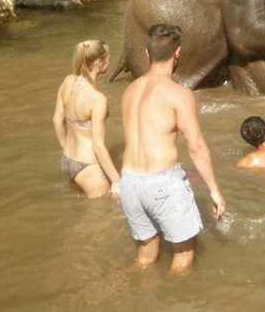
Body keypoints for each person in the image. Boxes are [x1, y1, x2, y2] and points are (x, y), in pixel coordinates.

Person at [119, 24, 226, 274]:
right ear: (178, 53)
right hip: (161, 183)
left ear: (147, 53)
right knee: (185, 253)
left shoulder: (129, 91)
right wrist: (214, 190)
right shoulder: (178, 94)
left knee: (145, 255)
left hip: (130, 182)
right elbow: (196, 146)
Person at [52, 39, 120, 199]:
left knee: (82, 217)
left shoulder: (67, 81)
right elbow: (98, 145)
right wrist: (116, 180)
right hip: (89, 166)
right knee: (103, 219)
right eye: (107, 57)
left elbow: (56, 120)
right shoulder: (97, 98)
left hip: (68, 161)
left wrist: (66, 149)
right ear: (98, 61)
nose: (110, 60)